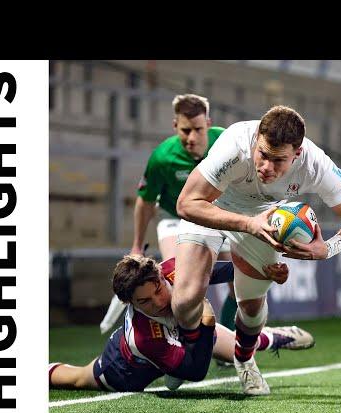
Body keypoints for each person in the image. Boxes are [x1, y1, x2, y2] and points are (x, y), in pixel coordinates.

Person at [172, 105, 341, 395]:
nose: (266, 167)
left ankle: (244, 360)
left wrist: (327, 249)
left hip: (265, 218)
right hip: (212, 208)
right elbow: (187, 203)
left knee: (252, 307)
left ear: (298, 153)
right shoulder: (235, 146)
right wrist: (247, 224)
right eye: (263, 154)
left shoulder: (314, 164)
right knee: (184, 301)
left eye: (279, 160)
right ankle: (186, 352)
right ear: (256, 138)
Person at [50, 254, 315, 392]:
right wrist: (207, 324)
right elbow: (195, 371)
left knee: (240, 346)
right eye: (145, 301)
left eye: (160, 288)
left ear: (160, 274)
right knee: (76, 379)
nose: (159, 300)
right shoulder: (144, 337)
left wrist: (263, 270)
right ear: (131, 304)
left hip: (182, 334)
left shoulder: (172, 270)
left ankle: (274, 337)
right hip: (124, 369)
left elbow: (225, 270)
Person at [100, 93, 238, 335]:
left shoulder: (227, 142)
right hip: (176, 218)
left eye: (197, 129)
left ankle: (230, 340)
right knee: (179, 279)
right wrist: (136, 246)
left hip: (216, 214)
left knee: (238, 285)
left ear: (208, 123)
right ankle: (178, 343)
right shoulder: (162, 157)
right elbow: (145, 202)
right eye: (185, 131)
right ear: (175, 126)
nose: (191, 138)